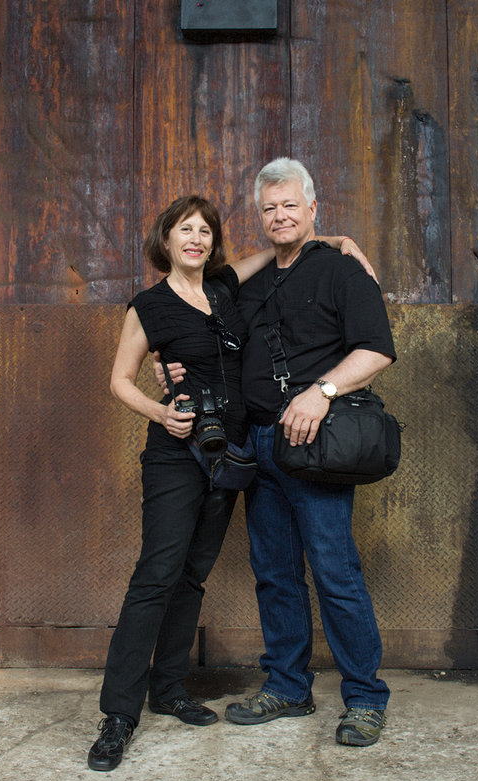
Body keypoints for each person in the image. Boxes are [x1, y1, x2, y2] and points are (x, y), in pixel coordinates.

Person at [87, 193, 369, 771]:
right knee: (157, 574)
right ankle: (118, 714)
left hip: (231, 454)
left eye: (205, 233)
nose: (195, 240)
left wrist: (339, 242)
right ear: (165, 240)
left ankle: (168, 689)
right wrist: (159, 411)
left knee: (193, 575)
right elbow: (119, 379)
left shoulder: (223, 289)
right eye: (184, 231)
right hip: (176, 453)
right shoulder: (147, 306)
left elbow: (278, 247)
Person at [164, 159, 396, 747]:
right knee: (274, 573)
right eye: (269, 208)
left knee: (334, 571)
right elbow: (199, 316)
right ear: (260, 217)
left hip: (317, 444)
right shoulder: (253, 282)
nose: (280, 216)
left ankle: (365, 699)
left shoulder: (343, 271)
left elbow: (378, 351)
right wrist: (175, 364)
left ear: (313, 208)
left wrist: (321, 392)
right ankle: (287, 687)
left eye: (291, 205)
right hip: (257, 445)